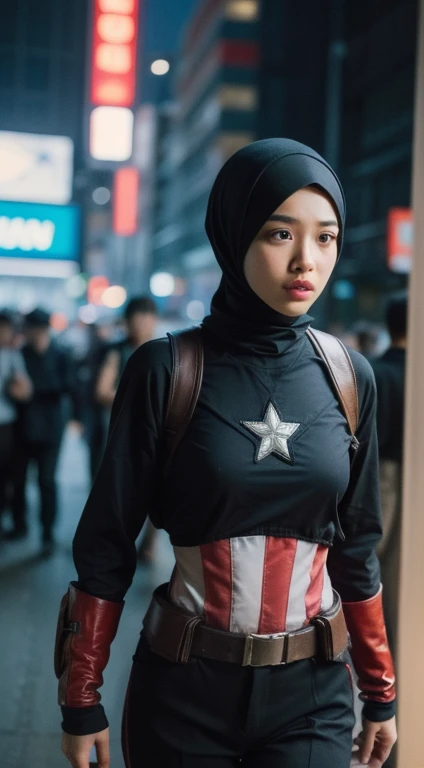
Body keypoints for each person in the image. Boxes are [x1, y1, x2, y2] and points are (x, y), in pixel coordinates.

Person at [56, 139, 397, 768]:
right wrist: (81, 697)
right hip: (185, 691)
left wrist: (381, 692)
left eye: (326, 238)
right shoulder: (165, 369)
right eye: (278, 233)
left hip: (315, 697)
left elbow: (357, 544)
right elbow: (107, 541)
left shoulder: (351, 377)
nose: (306, 260)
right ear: (233, 235)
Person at [95, 295, 158, 561]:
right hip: (126, 432)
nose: (142, 323)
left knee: (159, 491)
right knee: (123, 490)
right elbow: (101, 391)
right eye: (137, 317)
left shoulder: (165, 348)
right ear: (127, 322)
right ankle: (118, 542)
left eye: (147, 317)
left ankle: (148, 544)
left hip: (159, 433)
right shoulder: (117, 351)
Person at [10, 308, 76, 555]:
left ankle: (47, 533)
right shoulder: (20, 355)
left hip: (50, 428)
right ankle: (20, 525)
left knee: (46, 481)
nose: (34, 334)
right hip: (23, 427)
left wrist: (32, 391)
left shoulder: (61, 355)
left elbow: (68, 386)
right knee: (18, 479)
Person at [372, 293, 407, 657]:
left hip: (376, 474)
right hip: (408, 478)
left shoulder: (374, 371)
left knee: (370, 562)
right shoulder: (417, 373)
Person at [0, 311, 32, 531]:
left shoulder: (11, 355)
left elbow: (25, 391)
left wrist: (17, 388)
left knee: (4, 475)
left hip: (5, 424)